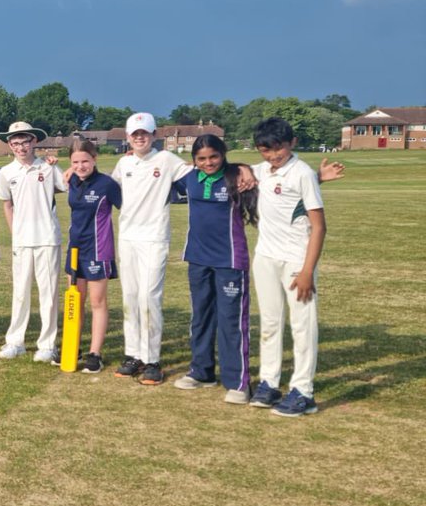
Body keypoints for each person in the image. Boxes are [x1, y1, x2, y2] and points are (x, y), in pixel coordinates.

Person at [109, 113, 195, 386]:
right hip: (128, 238)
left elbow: (195, 178)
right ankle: (133, 354)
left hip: (155, 237)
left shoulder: (167, 160)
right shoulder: (124, 164)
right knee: (131, 296)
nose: (140, 137)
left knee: (150, 296)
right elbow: (112, 193)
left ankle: (153, 359)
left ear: (154, 134)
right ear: (128, 137)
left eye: (144, 133)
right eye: (135, 134)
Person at [171, 134, 258, 404]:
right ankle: (201, 371)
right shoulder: (189, 179)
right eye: (202, 159)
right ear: (193, 160)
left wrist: (246, 167)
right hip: (197, 258)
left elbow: (279, 179)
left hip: (230, 260)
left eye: (214, 157)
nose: (208, 163)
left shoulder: (237, 177)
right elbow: (154, 180)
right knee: (201, 316)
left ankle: (238, 383)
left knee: (231, 321)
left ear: (223, 154)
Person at [250, 117, 328, 417]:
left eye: (277, 150)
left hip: (297, 260)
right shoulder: (262, 170)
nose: (272, 156)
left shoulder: (303, 174)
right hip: (266, 257)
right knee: (269, 322)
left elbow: (319, 227)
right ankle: (269, 382)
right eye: (265, 151)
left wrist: (308, 270)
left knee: (302, 324)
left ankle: (303, 391)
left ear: (291, 143)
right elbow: (239, 171)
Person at [0, 121, 66, 363]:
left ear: (34, 141)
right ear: (10, 145)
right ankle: (15, 341)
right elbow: (7, 204)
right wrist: (15, 233)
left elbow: (67, 185)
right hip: (22, 241)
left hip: (47, 238)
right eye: (15, 143)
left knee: (48, 292)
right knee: (20, 293)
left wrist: (57, 165)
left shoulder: (47, 168)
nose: (21, 147)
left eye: (25, 142)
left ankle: (47, 345)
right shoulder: (6, 173)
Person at [65, 138, 121, 374]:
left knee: (97, 303)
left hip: (99, 250)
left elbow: (127, 209)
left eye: (85, 161)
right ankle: (72, 346)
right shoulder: (72, 181)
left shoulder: (107, 184)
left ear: (95, 159)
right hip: (75, 249)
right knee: (74, 301)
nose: (80, 166)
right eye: (75, 162)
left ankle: (95, 353)